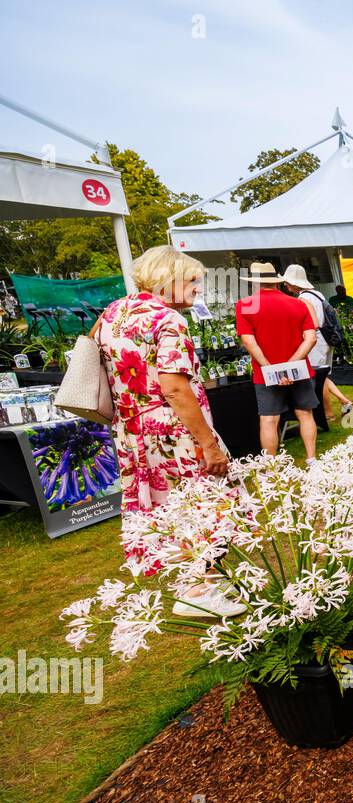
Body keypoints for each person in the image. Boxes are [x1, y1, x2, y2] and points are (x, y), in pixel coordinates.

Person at [95, 245, 240, 618]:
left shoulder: (114, 312)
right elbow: (174, 387)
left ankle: (197, 582)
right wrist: (208, 442)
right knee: (206, 505)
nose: (197, 289)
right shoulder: (168, 321)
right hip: (173, 431)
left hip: (133, 431)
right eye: (192, 281)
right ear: (169, 280)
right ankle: (198, 590)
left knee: (166, 508)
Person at [235, 261, 320, 461]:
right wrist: (289, 367)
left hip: (265, 373)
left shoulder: (245, 305)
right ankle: (311, 459)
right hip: (299, 369)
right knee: (305, 414)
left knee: (269, 420)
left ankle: (271, 467)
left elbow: (248, 341)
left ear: (254, 283)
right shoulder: (299, 304)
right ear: (277, 282)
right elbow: (311, 338)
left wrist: (272, 370)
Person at [282, 264, 353, 426]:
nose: (285, 285)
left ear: (294, 282)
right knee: (323, 375)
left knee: (318, 377)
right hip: (326, 338)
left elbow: (311, 323)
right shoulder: (317, 294)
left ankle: (328, 413)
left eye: (287, 282)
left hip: (316, 341)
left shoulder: (303, 299)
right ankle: (344, 401)